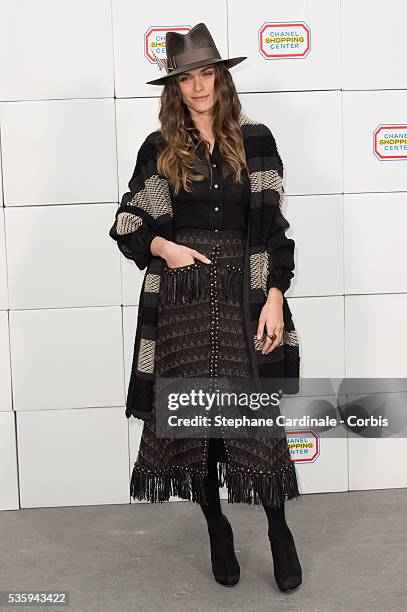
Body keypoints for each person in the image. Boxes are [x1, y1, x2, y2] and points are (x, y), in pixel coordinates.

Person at [109, 23, 302, 591]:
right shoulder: (160, 148)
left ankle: (278, 530)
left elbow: (274, 231)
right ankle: (216, 526)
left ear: (222, 77)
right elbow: (128, 225)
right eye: (187, 77)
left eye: (206, 73)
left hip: (244, 293)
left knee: (252, 423)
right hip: (184, 301)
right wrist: (164, 247)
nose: (198, 86)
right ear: (175, 87)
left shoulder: (258, 140)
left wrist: (274, 294)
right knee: (199, 428)